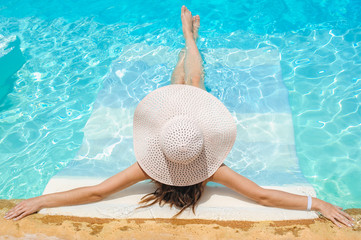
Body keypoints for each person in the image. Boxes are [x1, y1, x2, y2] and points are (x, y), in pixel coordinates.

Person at [4, 6, 354, 228]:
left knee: (181, 84)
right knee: (193, 83)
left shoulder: (148, 166)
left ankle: (188, 41)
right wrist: (317, 203)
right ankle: (190, 41)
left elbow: (96, 193)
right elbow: (262, 196)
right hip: (189, 131)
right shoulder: (212, 168)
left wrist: (41, 200)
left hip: (181, 131)